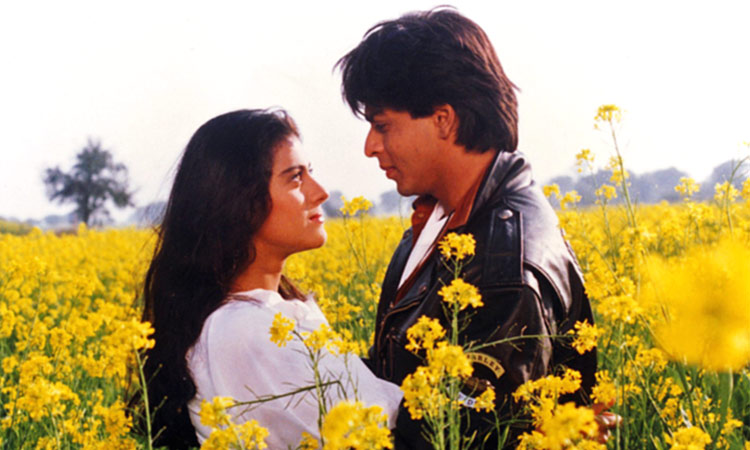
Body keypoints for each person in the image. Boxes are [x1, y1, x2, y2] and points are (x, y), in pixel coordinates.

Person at [336, 8, 601, 448]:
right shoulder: (440, 220)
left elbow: (472, 435)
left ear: (444, 119)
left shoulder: (503, 267)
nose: (370, 147)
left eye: (382, 125)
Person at [140, 109, 403, 449]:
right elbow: (371, 433)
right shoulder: (244, 330)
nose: (320, 192)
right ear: (239, 202)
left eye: (310, 173)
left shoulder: (263, 314)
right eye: (295, 178)